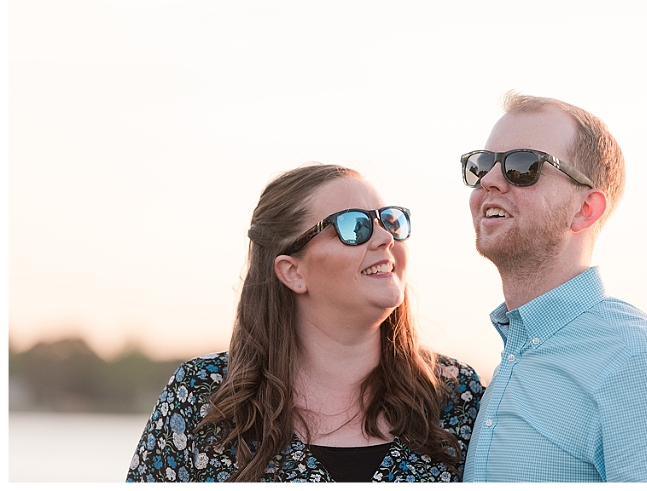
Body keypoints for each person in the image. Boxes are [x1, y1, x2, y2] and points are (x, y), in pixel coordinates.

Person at [126, 164, 484, 482]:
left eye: (390, 220)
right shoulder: (202, 397)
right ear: (292, 271)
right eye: (354, 226)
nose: (385, 238)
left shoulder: (455, 396)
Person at [460, 91, 647, 482]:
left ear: (586, 209)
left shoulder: (635, 360)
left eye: (523, 166)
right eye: (481, 165)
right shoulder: (514, 360)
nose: (491, 181)